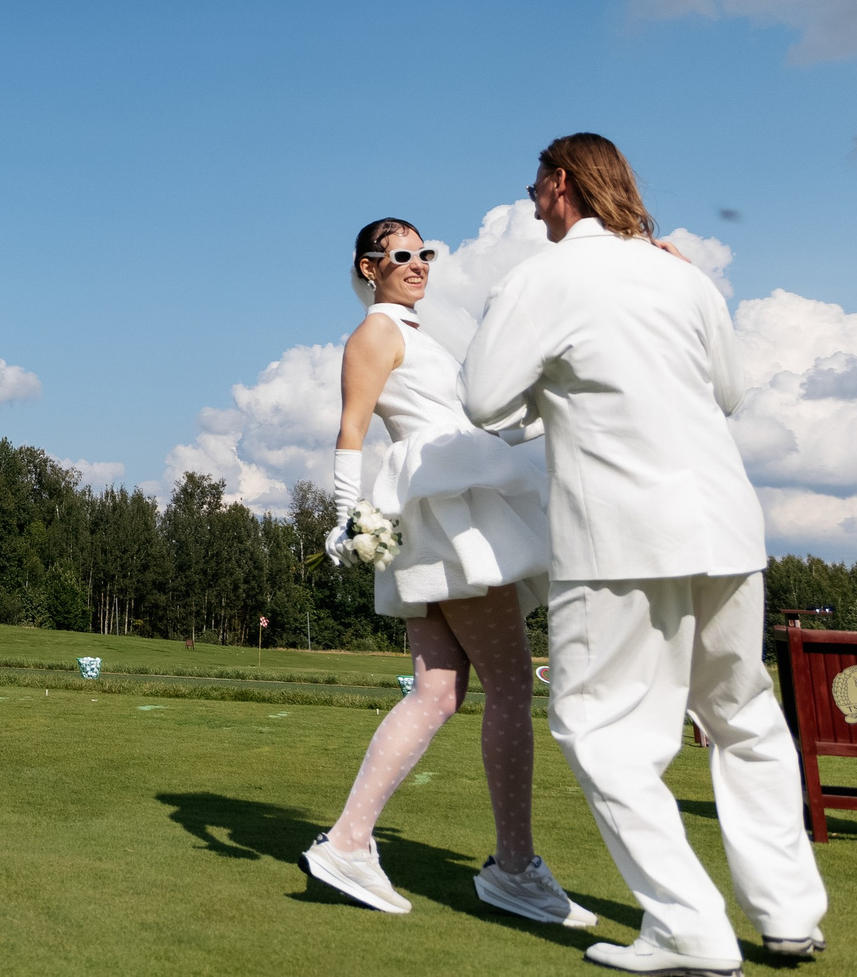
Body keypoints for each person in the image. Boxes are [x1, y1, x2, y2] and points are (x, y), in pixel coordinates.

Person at [464, 135, 828, 972]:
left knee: (598, 725)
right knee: (742, 714)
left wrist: (544, 389)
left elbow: (484, 398)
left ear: (560, 184)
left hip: (619, 533)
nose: (528, 203)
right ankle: (788, 914)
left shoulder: (543, 276)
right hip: (726, 524)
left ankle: (689, 927)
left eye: (533, 187)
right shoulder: (685, 273)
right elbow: (727, 392)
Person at [301, 220, 589, 927]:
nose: (418, 263)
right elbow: (352, 428)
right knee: (512, 681)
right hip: (447, 513)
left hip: (450, 500)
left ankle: (349, 841)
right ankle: (514, 867)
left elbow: (475, 425)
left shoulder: (419, 333)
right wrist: (344, 517)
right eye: (402, 255)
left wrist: (551, 404)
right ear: (370, 267)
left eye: (425, 252)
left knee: (437, 691)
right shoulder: (375, 333)